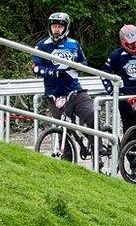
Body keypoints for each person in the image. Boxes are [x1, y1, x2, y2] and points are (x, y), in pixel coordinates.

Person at [32, 13, 96, 160]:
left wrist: (77, 67)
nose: (56, 30)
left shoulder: (74, 44)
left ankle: (97, 147)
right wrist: (52, 72)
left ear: (65, 28)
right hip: (54, 93)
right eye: (54, 26)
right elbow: (35, 68)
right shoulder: (42, 46)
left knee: (91, 115)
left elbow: (84, 63)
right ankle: (67, 161)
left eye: (60, 27)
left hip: (75, 91)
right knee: (62, 127)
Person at [102, 24, 136, 133]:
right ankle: (129, 148)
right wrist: (113, 92)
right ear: (124, 43)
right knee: (130, 129)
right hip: (125, 99)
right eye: (132, 44)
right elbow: (104, 74)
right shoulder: (116, 55)